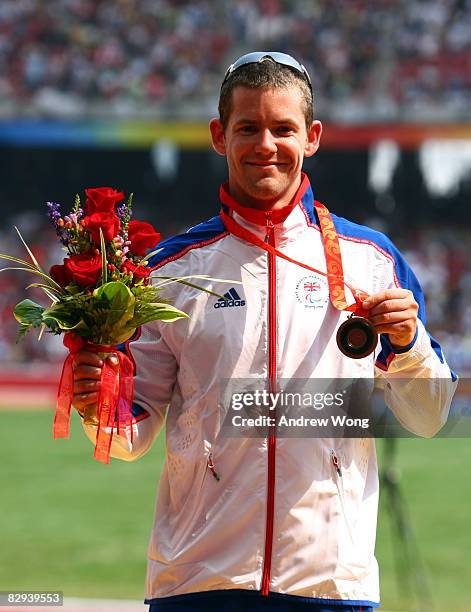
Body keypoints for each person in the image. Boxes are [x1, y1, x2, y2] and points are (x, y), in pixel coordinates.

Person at [72, 52, 457, 611]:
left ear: (313, 136)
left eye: (284, 128)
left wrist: (408, 345)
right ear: (218, 135)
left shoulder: (371, 259)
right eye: (247, 127)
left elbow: (431, 416)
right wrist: (94, 400)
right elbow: (129, 436)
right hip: (198, 581)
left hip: (330, 583)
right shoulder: (167, 272)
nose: (265, 145)